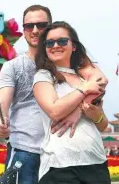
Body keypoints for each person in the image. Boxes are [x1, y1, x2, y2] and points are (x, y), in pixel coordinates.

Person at [0, 5, 108, 183]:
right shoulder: (14, 66)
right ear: (23, 31)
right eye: (29, 26)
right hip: (27, 150)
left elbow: (100, 81)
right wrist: (0, 121)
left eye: (41, 25)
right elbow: (1, 102)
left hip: (63, 154)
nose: (35, 30)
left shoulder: (75, 64)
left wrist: (79, 110)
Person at [33, 21, 111, 184]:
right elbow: (54, 111)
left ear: (73, 46)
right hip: (60, 166)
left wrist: (89, 114)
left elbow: (103, 124)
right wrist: (84, 89)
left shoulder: (84, 77)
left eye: (62, 41)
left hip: (96, 162)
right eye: (49, 43)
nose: (55, 46)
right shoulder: (44, 76)